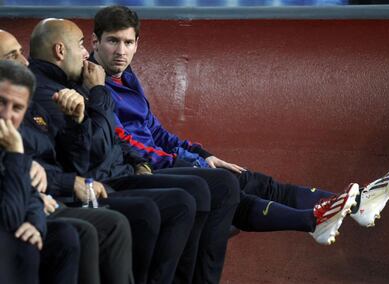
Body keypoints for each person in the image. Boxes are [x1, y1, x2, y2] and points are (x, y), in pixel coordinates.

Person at [91, 5, 389, 245]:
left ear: (137, 43)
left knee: (254, 180)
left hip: (171, 161)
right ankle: (318, 218)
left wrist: (201, 153)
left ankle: (355, 204)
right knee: (235, 190)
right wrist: (189, 160)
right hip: (145, 172)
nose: (121, 51)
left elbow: (155, 131)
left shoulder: (127, 75)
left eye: (128, 42)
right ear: (96, 41)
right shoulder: (95, 84)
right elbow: (126, 143)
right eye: (113, 42)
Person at [29, 18, 239, 284]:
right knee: (181, 202)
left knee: (221, 184)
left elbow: (116, 137)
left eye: (128, 43)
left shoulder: (78, 80)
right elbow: (91, 152)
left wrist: (138, 161)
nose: (85, 54)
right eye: (82, 45)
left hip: (121, 168)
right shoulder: (55, 92)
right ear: (60, 51)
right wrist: (99, 92)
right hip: (100, 179)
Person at [0, 29, 135, 284]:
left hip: (47, 197)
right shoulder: (38, 92)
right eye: (12, 55)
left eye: (16, 107)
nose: (24, 61)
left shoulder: (32, 103)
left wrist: (77, 123)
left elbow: (74, 162)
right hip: (47, 198)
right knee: (99, 227)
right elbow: (15, 192)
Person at [0, 59, 81, 284]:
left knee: (65, 236)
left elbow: (31, 195)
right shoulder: (13, 145)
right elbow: (10, 220)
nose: (7, 115)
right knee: (22, 246)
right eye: (1, 102)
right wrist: (17, 153)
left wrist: (35, 223)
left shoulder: (9, 140)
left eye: (17, 108)